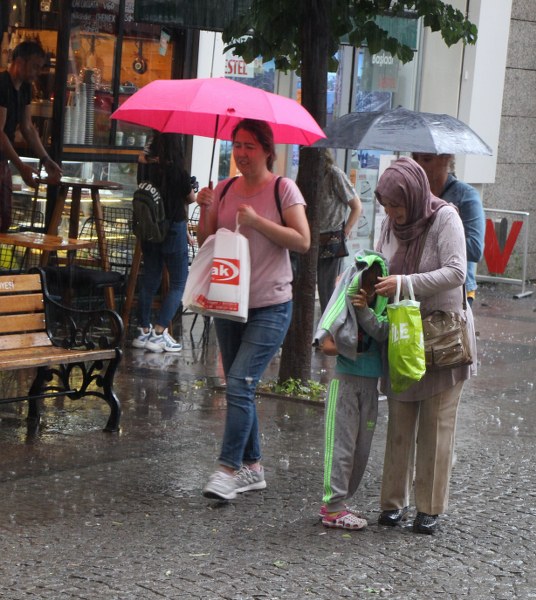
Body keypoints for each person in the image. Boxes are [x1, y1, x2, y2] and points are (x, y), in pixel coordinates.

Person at [196, 118, 310, 500]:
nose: (240, 153)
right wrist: (206, 209)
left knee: (241, 382)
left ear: (266, 150)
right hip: (229, 303)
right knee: (239, 384)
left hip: (271, 305)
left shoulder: (283, 189)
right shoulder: (226, 187)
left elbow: (302, 241)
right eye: (236, 145)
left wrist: (259, 221)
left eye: (248, 146)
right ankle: (254, 467)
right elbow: (208, 241)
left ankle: (228, 469)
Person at [374, 157, 477, 535]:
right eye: (387, 206)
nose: (394, 214)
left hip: (443, 339)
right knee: (399, 423)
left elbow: (456, 271)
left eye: (398, 205)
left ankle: (429, 508)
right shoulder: (388, 223)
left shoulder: (444, 218)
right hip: (403, 338)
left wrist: (404, 283)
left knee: (436, 425)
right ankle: (391, 504)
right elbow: (381, 266)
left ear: (415, 196)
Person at [315, 252, 389, 530]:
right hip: (345, 382)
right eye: (364, 285)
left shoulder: (381, 308)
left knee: (361, 449)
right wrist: (355, 314)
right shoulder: (344, 305)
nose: (368, 292)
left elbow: (382, 332)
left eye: (373, 286)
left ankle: (339, 501)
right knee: (342, 446)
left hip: (370, 386)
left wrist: (365, 311)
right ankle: (333, 508)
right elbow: (326, 343)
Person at [132, 132, 195, 352]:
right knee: (179, 282)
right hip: (173, 229)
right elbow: (191, 198)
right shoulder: (178, 171)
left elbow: (142, 182)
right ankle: (159, 333)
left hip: (150, 229)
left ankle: (143, 330)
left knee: (150, 278)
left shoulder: (145, 167)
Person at [0, 40, 61, 232]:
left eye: (40, 68)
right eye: (34, 66)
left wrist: (46, 159)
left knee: (4, 219)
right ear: (19, 61)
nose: (37, 73)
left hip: (2, 162)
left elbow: (27, 127)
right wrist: (21, 166)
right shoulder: (2, 84)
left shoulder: (25, 88)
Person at [412, 153, 485, 306]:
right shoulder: (415, 194)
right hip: (417, 285)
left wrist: (435, 236)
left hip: (454, 291)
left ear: (446, 159)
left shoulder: (466, 195)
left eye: (426, 159)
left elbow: (475, 249)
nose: (419, 165)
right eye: (415, 158)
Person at [317, 149, 362, 314]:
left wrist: (346, 230)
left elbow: (357, 206)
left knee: (328, 293)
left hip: (331, 240)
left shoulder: (334, 174)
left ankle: (329, 334)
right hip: (311, 240)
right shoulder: (309, 176)